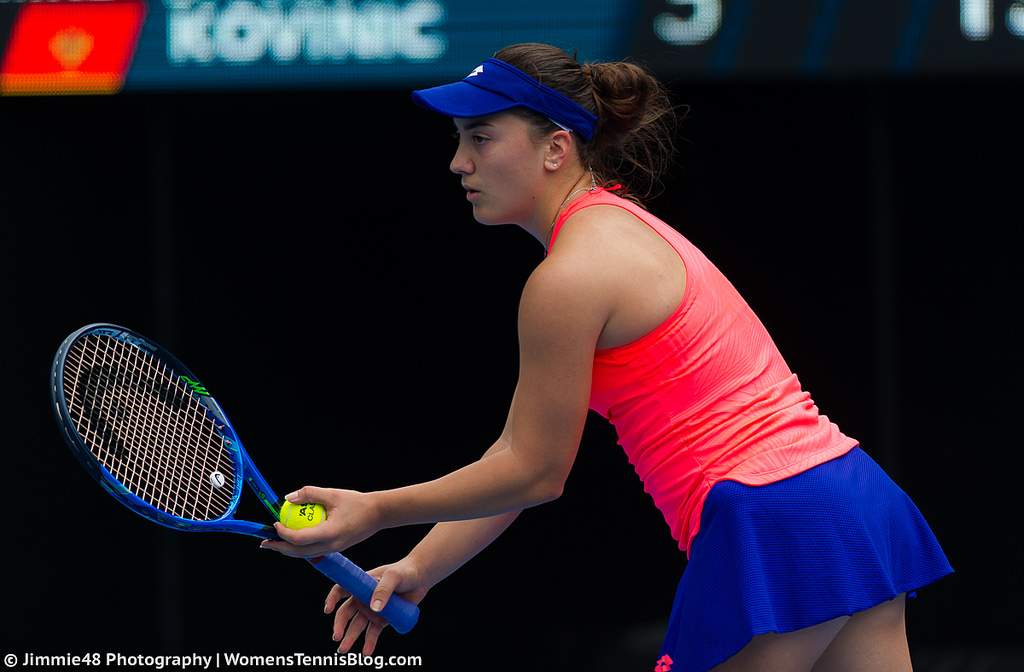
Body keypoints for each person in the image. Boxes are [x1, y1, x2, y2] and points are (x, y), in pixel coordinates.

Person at [260, 43, 954, 671]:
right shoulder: (619, 227)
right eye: (458, 139)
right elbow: (516, 457)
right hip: (850, 495)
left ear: (556, 148)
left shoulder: (568, 279)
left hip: (774, 520)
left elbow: (535, 473)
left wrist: (375, 510)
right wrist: (421, 565)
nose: (458, 162)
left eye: (481, 137)